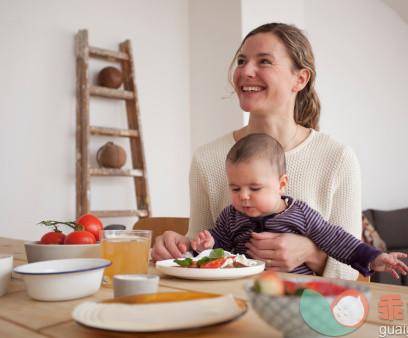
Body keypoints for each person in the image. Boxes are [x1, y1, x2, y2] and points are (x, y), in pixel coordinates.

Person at [151, 22, 361, 280]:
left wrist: (311, 254)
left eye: (264, 61)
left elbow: (352, 270)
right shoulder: (207, 158)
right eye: (241, 61)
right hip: (229, 304)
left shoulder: (337, 158)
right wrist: (178, 247)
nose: (245, 71)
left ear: (300, 79)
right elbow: (202, 248)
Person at [191, 133, 408, 278]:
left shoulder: (300, 214)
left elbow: (337, 239)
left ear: (281, 184)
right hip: (247, 291)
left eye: (255, 188)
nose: (244, 197)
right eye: (235, 189)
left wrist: (373, 258)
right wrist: (208, 243)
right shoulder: (230, 216)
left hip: (298, 294)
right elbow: (220, 244)